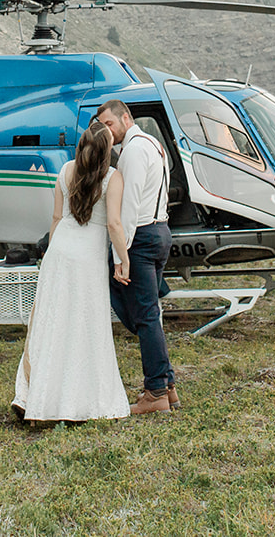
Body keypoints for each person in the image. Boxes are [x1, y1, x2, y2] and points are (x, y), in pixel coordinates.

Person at [12, 121, 132, 422]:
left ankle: (31, 396)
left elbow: (56, 217)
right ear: (107, 152)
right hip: (87, 257)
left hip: (60, 252)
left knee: (49, 323)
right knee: (84, 326)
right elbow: (114, 224)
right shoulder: (112, 178)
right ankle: (78, 402)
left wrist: (53, 256)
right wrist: (124, 259)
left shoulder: (66, 171)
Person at [94, 99, 177, 414]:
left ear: (125, 118)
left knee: (143, 317)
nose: (107, 130)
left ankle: (155, 391)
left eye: (110, 123)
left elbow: (127, 208)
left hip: (140, 237)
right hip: (159, 231)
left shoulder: (133, 151)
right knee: (148, 315)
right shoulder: (152, 144)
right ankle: (166, 385)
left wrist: (120, 255)